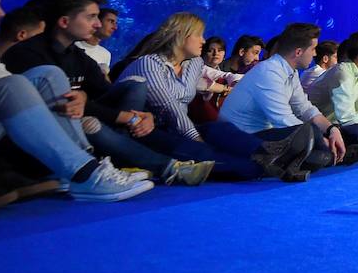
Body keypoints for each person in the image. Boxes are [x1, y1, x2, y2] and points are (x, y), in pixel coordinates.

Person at [0, 0, 153, 204]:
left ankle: (84, 166)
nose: (1, 13)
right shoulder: (27, 51)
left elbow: (16, 91)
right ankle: (84, 171)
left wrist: (80, 97)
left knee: (47, 76)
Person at [3, 0, 214, 186]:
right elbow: (41, 109)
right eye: (91, 17)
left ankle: (118, 160)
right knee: (90, 123)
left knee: (136, 85)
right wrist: (126, 117)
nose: (97, 24)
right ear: (64, 21)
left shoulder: (79, 58)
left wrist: (143, 115)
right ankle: (167, 168)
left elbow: (106, 94)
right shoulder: (27, 54)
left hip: (91, 127)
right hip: (46, 139)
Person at [116, 12, 312, 180]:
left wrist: (245, 79)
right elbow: (171, 109)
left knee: (221, 129)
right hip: (151, 131)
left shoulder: (193, 64)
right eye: (199, 35)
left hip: (182, 127)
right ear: (179, 35)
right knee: (232, 161)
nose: (203, 40)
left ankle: (273, 154)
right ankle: (270, 164)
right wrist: (197, 138)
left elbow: (220, 75)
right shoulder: (149, 63)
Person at [213, 22, 347, 172]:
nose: (315, 54)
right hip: (242, 138)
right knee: (312, 136)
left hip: (264, 135)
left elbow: (305, 108)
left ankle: (320, 157)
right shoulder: (269, 72)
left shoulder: (291, 72)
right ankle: (327, 157)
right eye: (313, 49)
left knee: (328, 139)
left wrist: (332, 130)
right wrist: (320, 139)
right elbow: (284, 120)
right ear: (298, 52)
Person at [75, 5, 118, 76]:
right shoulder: (74, 46)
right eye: (111, 21)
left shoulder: (106, 54)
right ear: (97, 21)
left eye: (116, 23)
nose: (115, 27)